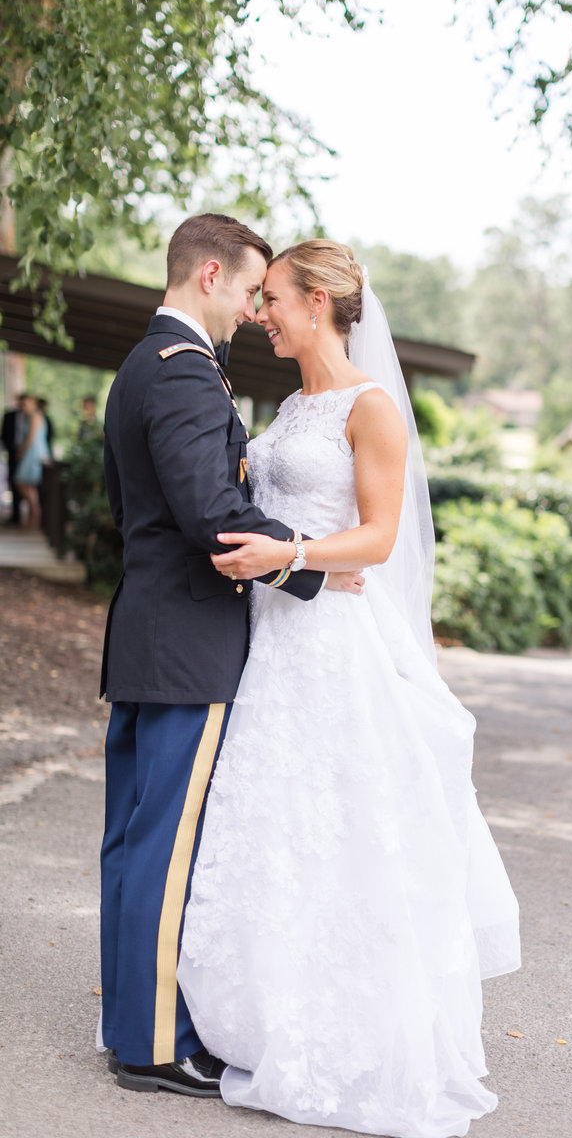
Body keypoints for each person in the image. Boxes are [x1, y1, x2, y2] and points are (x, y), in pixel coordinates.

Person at [177, 240, 520, 1137]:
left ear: (321, 301)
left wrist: (289, 555)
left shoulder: (372, 410)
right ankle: (264, 1013)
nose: (263, 313)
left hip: (332, 638)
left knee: (345, 822)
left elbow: (375, 538)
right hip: (272, 640)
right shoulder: (291, 405)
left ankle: (353, 1031)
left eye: (276, 299)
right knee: (276, 823)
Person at [99, 215, 363, 1099]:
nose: (255, 309)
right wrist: (308, 561)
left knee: (136, 844)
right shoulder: (181, 375)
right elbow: (211, 510)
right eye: (252, 290)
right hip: (187, 643)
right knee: (165, 848)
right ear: (210, 273)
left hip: (152, 632)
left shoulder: (150, 365)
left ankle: (130, 1024)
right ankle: (155, 1045)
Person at [14, 394, 51, 529]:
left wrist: (21, 452)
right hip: (32, 452)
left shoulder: (35, 416)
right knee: (29, 486)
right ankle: (33, 514)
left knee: (23, 482)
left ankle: (35, 513)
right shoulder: (30, 417)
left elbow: (30, 438)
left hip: (34, 453)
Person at [1, 393, 23, 525]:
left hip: (27, 456)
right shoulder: (9, 415)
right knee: (14, 482)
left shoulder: (31, 417)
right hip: (13, 453)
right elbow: (4, 434)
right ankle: (16, 515)